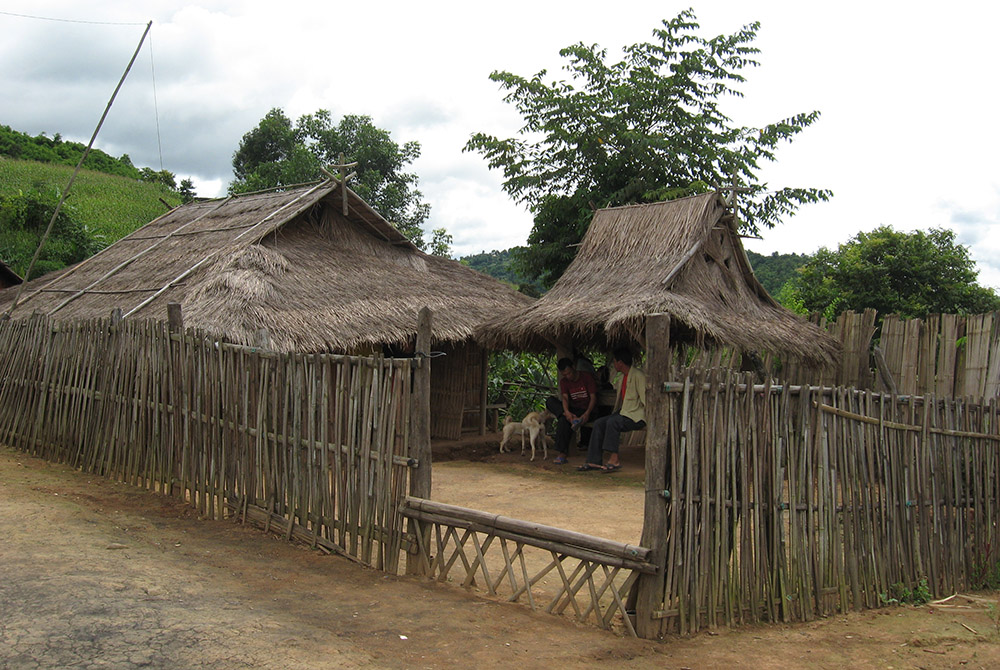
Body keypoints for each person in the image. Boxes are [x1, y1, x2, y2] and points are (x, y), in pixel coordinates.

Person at [578, 348, 645, 472]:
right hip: (624, 413)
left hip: (637, 416)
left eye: (614, 361)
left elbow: (646, 400)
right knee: (599, 423)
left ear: (620, 362)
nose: (614, 364)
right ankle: (593, 461)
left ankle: (614, 459)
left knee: (613, 422)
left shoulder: (638, 376)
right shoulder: (622, 377)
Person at [545, 358, 597, 464]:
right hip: (573, 410)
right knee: (551, 402)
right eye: (565, 375)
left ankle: (562, 452)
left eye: (569, 373)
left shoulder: (586, 377)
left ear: (573, 368)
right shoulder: (564, 382)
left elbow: (593, 398)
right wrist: (567, 412)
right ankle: (562, 453)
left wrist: (586, 414)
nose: (568, 376)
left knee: (563, 421)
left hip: (588, 409)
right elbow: (565, 398)